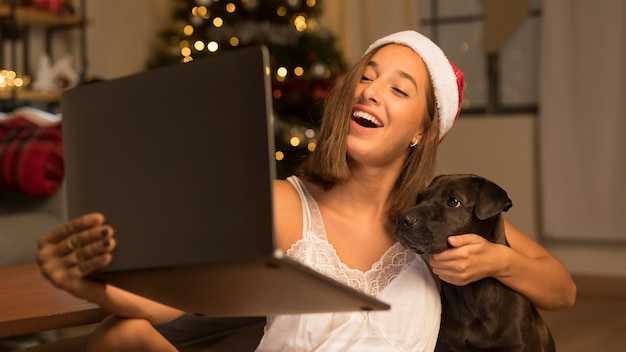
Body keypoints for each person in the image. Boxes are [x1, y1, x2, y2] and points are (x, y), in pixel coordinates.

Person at [37, 30, 576, 351]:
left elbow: (561, 290)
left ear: (422, 131)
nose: (370, 91)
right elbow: (164, 302)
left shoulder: (440, 220)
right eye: (366, 76)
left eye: (398, 87)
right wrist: (80, 282)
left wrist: (497, 263)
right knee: (120, 334)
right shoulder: (284, 205)